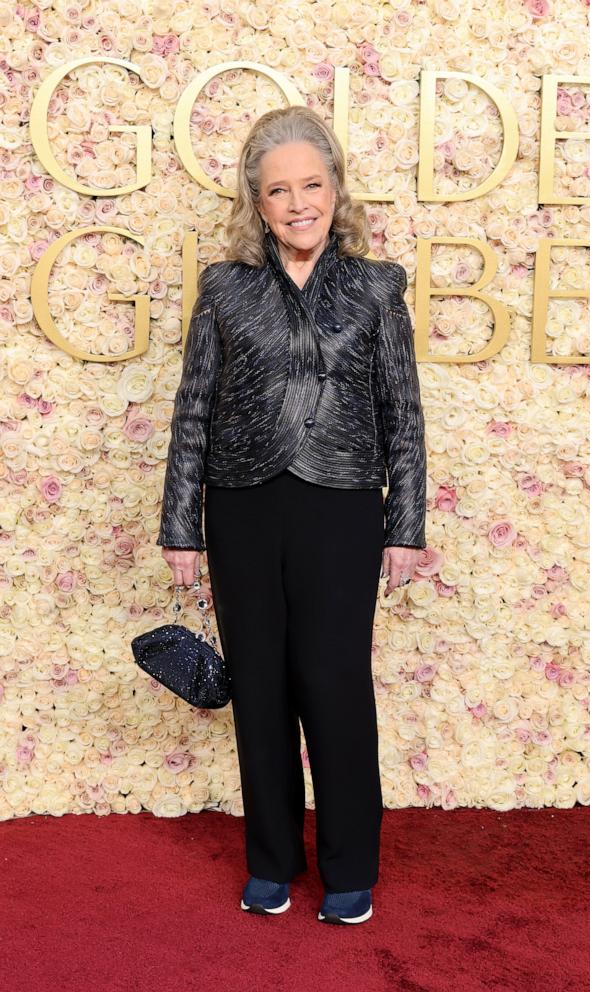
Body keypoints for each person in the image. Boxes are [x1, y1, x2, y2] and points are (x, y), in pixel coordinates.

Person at [156, 105, 426, 925]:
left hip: (342, 507)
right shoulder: (225, 288)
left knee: (335, 685)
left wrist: (404, 525)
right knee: (262, 690)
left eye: (312, 183)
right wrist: (181, 528)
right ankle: (270, 859)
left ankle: (350, 868)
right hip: (241, 509)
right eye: (279, 189)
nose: (298, 201)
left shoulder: (377, 287)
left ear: (336, 190)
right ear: (257, 201)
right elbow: (193, 404)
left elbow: (402, 413)